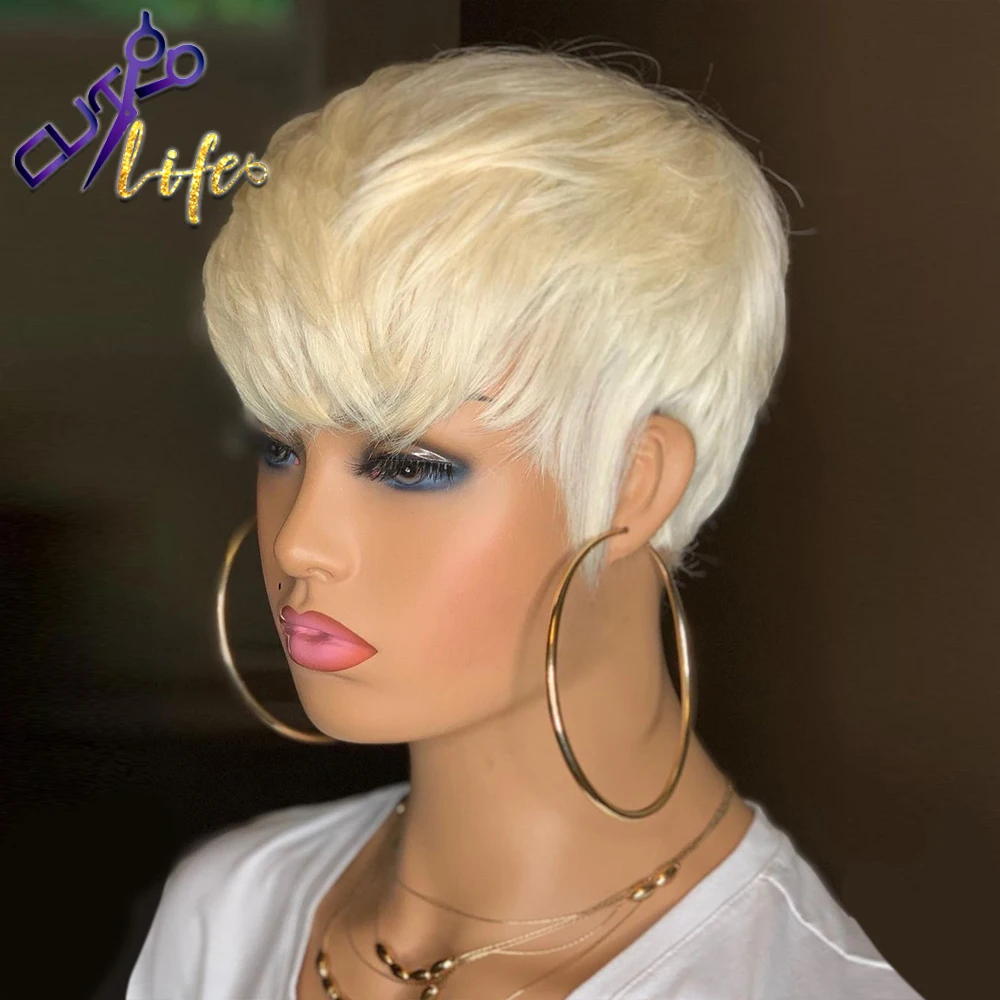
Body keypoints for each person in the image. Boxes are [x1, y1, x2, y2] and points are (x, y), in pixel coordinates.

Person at [127, 45, 925, 1000]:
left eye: (408, 466)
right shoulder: (227, 913)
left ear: (633, 482)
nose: (300, 540)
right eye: (280, 447)